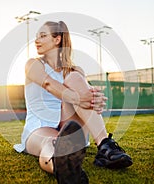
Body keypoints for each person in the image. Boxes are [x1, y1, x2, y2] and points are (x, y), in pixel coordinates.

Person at [14, 21, 132, 183]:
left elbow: (86, 94)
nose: (37, 40)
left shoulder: (75, 70)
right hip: (40, 126)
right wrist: (78, 97)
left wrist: (93, 98)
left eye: (43, 36)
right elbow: (48, 83)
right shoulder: (33, 64)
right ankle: (63, 169)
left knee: (75, 77)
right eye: (36, 37)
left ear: (57, 39)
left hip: (73, 126)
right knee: (51, 143)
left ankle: (105, 146)